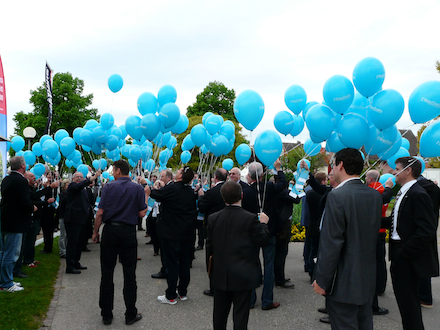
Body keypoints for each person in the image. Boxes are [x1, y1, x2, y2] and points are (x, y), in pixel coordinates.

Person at [313, 148, 383, 330]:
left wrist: (322, 280)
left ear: (341, 165)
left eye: (333, 164)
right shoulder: (375, 196)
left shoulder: (337, 196)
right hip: (366, 280)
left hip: (343, 284)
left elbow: (332, 243)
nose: (332, 169)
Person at [383, 157, 439, 330]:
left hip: (406, 256)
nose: (393, 171)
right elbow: (397, 220)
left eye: (397, 168)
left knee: (409, 305)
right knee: (405, 304)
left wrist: (406, 252)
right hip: (399, 253)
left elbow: (427, 229)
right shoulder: (403, 191)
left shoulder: (418, 193)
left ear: (407, 170)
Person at [206, 181, 270, 330]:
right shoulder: (250, 218)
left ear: (223, 198)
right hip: (244, 273)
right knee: (241, 315)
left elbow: (210, 247)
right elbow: (263, 240)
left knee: (219, 314)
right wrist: (264, 224)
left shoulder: (213, 218)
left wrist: (211, 271)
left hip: (221, 273)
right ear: (241, 195)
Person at [92, 160, 147, 326]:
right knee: (130, 274)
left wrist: (95, 232)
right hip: (128, 232)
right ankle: (130, 313)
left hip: (110, 231)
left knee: (107, 273)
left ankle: (106, 314)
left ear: (117, 171)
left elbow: (100, 213)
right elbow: (141, 213)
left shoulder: (108, 187)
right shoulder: (137, 188)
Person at [145, 166, 198, 305]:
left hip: (172, 233)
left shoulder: (173, 188)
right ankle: (182, 292)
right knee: (185, 263)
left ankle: (170, 295)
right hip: (187, 233)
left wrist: (147, 187)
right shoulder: (190, 191)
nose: (176, 172)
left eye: (179, 171)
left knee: (172, 264)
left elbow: (155, 194)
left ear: (180, 176)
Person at [242, 159, 286, 310]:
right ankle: (267, 300)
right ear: (262, 175)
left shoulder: (245, 192)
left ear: (249, 175)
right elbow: (283, 184)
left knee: (252, 265)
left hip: (252, 232)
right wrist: (278, 169)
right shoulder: (270, 187)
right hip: (269, 231)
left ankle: (251, 300)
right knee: (269, 265)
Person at [0, 156, 36, 293]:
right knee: (11, 253)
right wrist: (32, 208)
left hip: (5, 219)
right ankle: (7, 283)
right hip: (15, 222)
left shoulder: (7, 179)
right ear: (22, 166)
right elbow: (24, 201)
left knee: (3, 252)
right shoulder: (21, 180)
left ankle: (4, 280)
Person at [64, 170, 101, 274]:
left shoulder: (83, 190)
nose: (79, 179)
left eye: (81, 177)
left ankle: (76, 262)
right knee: (72, 244)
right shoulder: (72, 187)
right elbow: (79, 186)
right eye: (77, 177)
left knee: (80, 243)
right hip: (73, 220)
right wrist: (92, 177)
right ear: (73, 178)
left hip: (82, 220)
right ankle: (70, 266)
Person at [198, 168, 228, 296]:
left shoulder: (211, 192)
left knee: (211, 258)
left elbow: (203, 207)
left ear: (216, 177)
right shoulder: (230, 189)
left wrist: (201, 197)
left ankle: (214, 287)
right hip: (227, 228)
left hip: (213, 229)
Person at [150, 169, 173, 279]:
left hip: (166, 222)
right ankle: (166, 269)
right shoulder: (167, 187)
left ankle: (166, 270)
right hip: (164, 220)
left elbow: (156, 195)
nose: (160, 179)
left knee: (166, 249)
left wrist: (151, 188)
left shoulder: (169, 187)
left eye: (162, 177)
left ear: (168, 178)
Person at [40, 171, 58, 254]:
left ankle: (48, 247)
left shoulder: (55, 187)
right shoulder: (43, 186)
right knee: (45, 229)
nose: (50, 177)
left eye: (51, 175)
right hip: (43, 209)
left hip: (51, 210)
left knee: (49, 229)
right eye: (48, 175)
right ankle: (46, 245)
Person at [57, 179, 70, 258]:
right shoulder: (62, 195)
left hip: (69, 216)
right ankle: (62, 251)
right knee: (63, 234)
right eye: (67, 185)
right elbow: (62, 203)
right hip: (63, 216)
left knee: (68, 234)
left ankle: (67, 249)